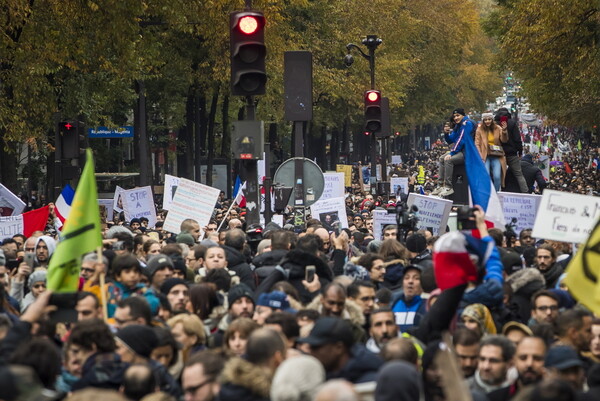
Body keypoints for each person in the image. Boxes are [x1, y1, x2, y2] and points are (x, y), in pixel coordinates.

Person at [298, 317, 383, 384]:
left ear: (338, 348)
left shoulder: (370, 382)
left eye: (316, 347)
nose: (311, 352)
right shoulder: (322, 375)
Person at [432, 109, 475, 197]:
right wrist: (446, 134)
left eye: (458, 115)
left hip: (468, 152)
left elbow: (461, 140)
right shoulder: (458, 126)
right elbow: (451, 140)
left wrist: (452, 153)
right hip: (460, 151)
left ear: (463, 115)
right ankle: (440, 185)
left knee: (449, 160)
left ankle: (448, 186)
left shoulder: (467, 124)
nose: (455, 118)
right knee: (441, 158)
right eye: (454, 116)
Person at [488, 336, 547, 401]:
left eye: (537, 358)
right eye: (523, 358)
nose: (529, 364)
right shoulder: (495, 398)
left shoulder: (557, 397)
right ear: (514, 361)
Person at [494, 108, 527, 193]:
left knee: (499, 174)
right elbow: (517, 139)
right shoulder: (512, 123)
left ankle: (498, 192)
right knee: (519, 175)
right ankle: (526, 192)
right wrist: (520, 151)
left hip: (499, 154)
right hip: (512, 153)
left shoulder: (495, 124)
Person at [475, 112, 508, 192]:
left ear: (492, 120)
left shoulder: (498, 128)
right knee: (486, 175)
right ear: (483, 121)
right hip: (485, 156)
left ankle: (496, 192)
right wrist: (480, 157)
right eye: (485, 120)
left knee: (497, 176)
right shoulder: (479, 129)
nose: (487, 121)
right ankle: (488, 192)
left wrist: (504, 130)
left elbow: (504, 140)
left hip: (496, 155)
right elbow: (477, 144)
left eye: (489, 119)